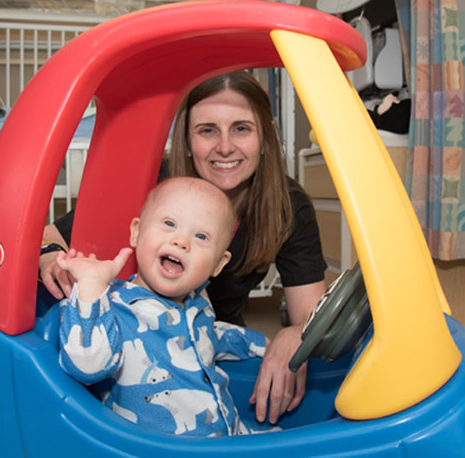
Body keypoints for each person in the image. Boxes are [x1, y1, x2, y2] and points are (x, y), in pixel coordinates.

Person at [40, 71, 327, 425]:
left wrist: (292, 334)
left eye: (241, 128)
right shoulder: (152, 183)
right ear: (187, 141)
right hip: (136, 343)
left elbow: (310, 317)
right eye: (207, 130)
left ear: (265, 138)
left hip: (210, 335)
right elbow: (50, 234)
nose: (225, 147)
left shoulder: (287, 204)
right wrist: (50, 254)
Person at [57, 177, 270, 437]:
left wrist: (266, 345)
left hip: (230, 434)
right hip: (161, 448)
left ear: (218, 264)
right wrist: (90, 288)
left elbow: (212, 336)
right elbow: (87, 366)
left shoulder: (198, 302)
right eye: (169, 223)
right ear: (136, 232)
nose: (181, 241)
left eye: (201, 236)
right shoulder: (111, 306)